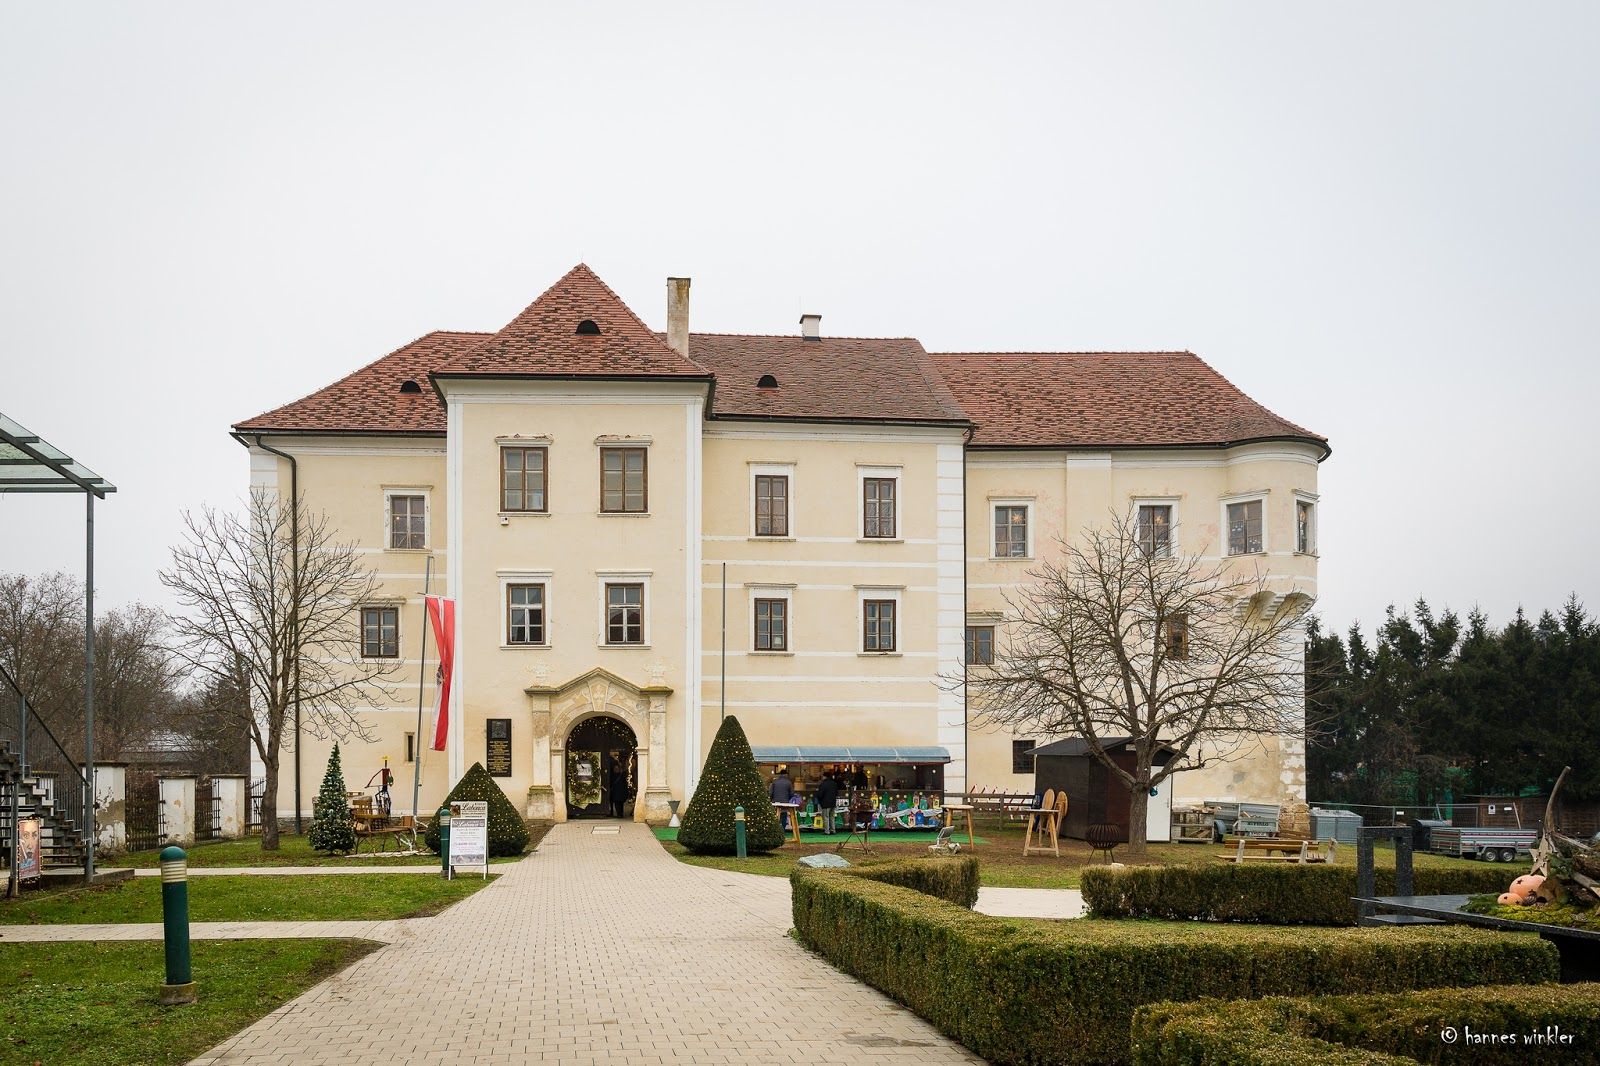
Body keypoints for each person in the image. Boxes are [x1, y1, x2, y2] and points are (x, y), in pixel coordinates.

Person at [816, 770, 840, 835]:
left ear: (824, 776)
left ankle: (827, 831)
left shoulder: (823, 784)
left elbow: (820, 794)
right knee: (832, 817)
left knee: (826, 817)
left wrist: (820, 800)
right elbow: (837, 793)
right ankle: (833, 830)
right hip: (833, 803)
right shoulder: (834, 783)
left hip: (826, 803)